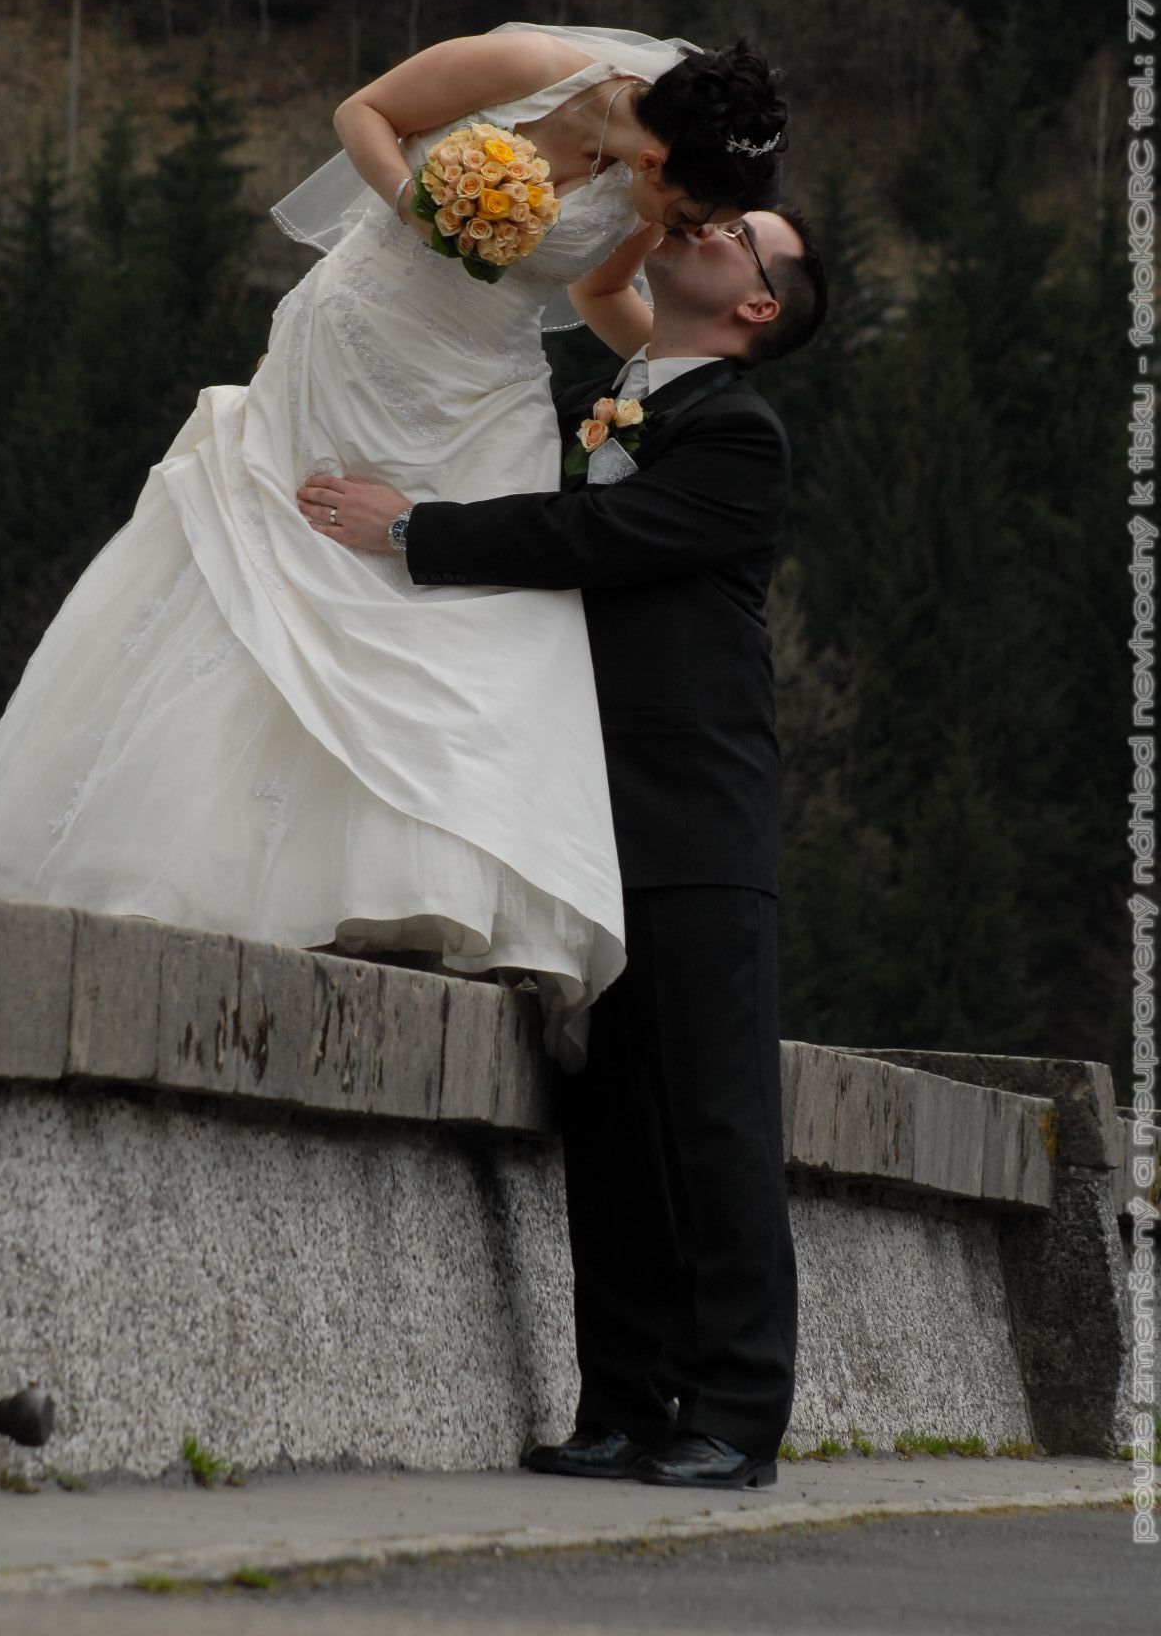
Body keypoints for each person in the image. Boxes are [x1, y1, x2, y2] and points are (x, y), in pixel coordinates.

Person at [0, 23, 788, 1072]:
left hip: (485, 393)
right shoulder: (535, 66)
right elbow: (366, 112)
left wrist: (681, 390)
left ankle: (424, 897)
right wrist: (417, 205)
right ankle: (220, 872)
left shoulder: (644, 197)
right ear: (660, 158)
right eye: (692, 211)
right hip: (359, 345)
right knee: (292, 580)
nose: (687, 232)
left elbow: (599, 295)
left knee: (491, 623)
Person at [296, 205, 828, 1488]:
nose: (706, 227)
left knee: (713, 1119)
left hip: (689, 817)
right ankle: (623, 1403)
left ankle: (734, 1417)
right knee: (608, 1123)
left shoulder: (737, 434)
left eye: (734, 233)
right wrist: (635, 200)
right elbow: (590, 299)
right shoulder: (615, 398)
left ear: (758, 304)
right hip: (573, 811)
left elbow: (593, 538)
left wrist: (415, 530)